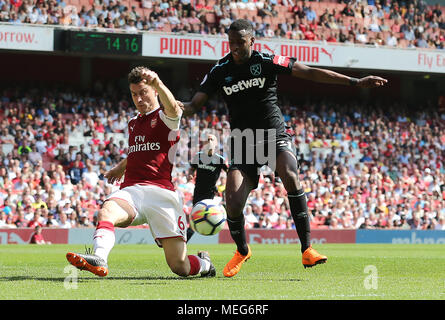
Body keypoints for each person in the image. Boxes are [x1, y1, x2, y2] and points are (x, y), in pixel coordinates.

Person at [181, 19, 388, 277]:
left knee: (289, 175)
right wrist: (167, 101)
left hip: (273, 134)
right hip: (242, 141)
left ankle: (307, 249)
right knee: (232, 202)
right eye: (231, 42)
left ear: (251, 41)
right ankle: (242, 250)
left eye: (240, 42)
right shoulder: (219, 70)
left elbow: (309, 72)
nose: (234, 47)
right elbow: (193, 105)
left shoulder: (267, 61)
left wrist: (354, 82)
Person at [66, 66, 215, 278]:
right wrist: (120, 167)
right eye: (134, 94)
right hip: (132, 191)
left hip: (162, 194)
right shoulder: (133, 123)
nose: (139, 98)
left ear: (154, 91)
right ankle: (99, 258)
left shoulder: (166, 117)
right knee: (106, 211)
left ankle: (204, 263)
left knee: (179, 266)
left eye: (144, 92)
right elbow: (140, 152)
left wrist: (158, 83)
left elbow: (174, 108)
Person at [187, 133, 228, 242]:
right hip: (198, 192)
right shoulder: (198, 156)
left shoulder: (220, 159)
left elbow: (230, 171)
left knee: (210, 216)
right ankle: (184, 241)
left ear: (216, 144)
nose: (209, 142)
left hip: (211, 194)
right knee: (195, 219)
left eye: (212, 139)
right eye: (207, 140)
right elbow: (192, 168)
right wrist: (190, 174)